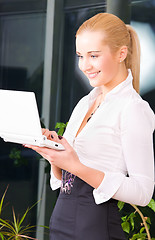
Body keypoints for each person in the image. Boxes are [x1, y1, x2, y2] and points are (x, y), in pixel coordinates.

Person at [25, 13, 155, 240]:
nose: (85, 65)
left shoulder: (133, 108)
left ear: (121, 53)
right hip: (62, 220)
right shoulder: (85, 102)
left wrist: (74, 165)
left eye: (93, 56)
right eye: (80, 56)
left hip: (95, 228)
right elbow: (66, 174)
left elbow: (143, 193)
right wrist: (54, 155)